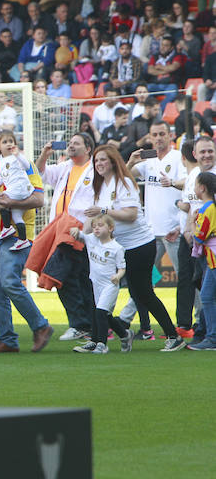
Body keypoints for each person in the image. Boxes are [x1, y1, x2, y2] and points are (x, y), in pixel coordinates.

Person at [90, 145, 185, 352]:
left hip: (139, 245)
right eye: (96, 160)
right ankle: (117, 334)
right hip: (119, 247)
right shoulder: (101, 186)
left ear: (113, 162)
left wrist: (104, 210)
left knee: (142, 292)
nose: (99, 164)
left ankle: (173, 335)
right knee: (111, 291)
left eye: (103, 160)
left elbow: (131, 215)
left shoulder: (124, 183)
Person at [0, 131, 54, 353]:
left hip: (15, 234)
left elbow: (38, 199)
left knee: (9, 282)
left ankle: (41, 326)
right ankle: (8, 339)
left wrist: (9, 203)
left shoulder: (23, 164)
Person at [35, 133, 96, 340]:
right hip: (61, 230)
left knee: (66, 276)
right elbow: (40, 174)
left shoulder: (95, 170)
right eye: (69, 143)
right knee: (73, 278)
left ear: (88, 148)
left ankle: (83, 324)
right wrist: (44, 154)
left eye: (76, 143)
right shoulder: (64, 167)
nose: (70, 146)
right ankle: (88, 324)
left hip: (79, 231)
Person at [69, 214, 131, 354]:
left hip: (109, 285)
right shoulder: (91, 239)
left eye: (100, 226)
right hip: (96, 283)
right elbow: (79, 234)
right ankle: (125, 335)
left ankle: (102, 344)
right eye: (94, 226)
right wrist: (74, 230)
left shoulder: (117, 248)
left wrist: (118, 276)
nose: (96, 229)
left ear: (110, 228)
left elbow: (122, 268)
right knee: (105, 315)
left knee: (100, 312)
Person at [0, 131, 34, 251]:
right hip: (14, 191)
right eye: (5, 142)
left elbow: (26, 166)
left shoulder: (16, 156)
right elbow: (3, 175)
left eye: (11, 141)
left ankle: (7, 227)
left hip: (21, 187)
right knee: (16, 216)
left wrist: (18, 154)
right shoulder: (0, 159)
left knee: (1, 200)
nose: (9, 144)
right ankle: (23, 240)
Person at [189, 170, 216, 350]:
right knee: (206, 296)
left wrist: (192, 222)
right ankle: (211, 336)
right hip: (211, 259)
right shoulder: (209, 208)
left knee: (207, 296)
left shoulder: (208, 209)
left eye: (196, 184)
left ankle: (212, 338)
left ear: (202, 188)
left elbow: (199, 236)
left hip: (213, 258)